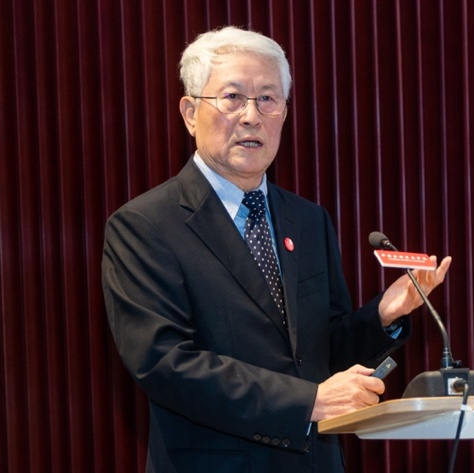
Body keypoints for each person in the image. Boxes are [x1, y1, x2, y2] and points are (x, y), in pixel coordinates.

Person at [101, 26, 452, 473]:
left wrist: (382, 315)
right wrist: (308, 401)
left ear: (284, 113)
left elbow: (320, 352)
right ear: (190, 113)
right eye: (232, 97)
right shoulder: (145, 225)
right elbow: (164, 363)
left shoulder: (306, 219)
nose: (252, 116)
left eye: (268, 99)